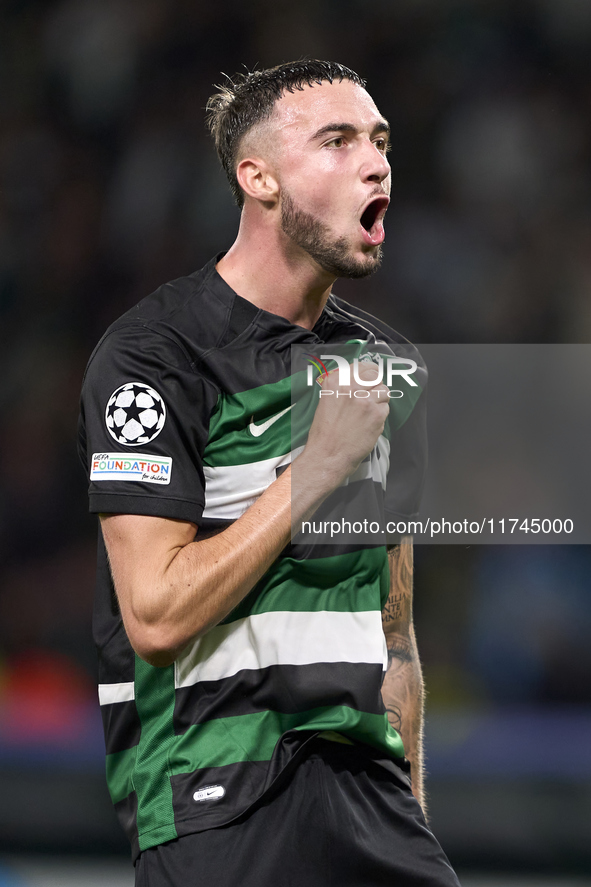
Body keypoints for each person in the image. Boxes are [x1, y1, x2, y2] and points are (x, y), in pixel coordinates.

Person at [79, 59, 460, 886]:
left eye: (379, 141)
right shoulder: (156, 357)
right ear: (258, 178)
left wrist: (410, 807)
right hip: (216, 792)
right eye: (337, 140)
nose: (375, 161)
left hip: (372, 804)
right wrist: (312, 471)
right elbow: (153, 614)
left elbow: (392, 630)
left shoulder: (386, 366)